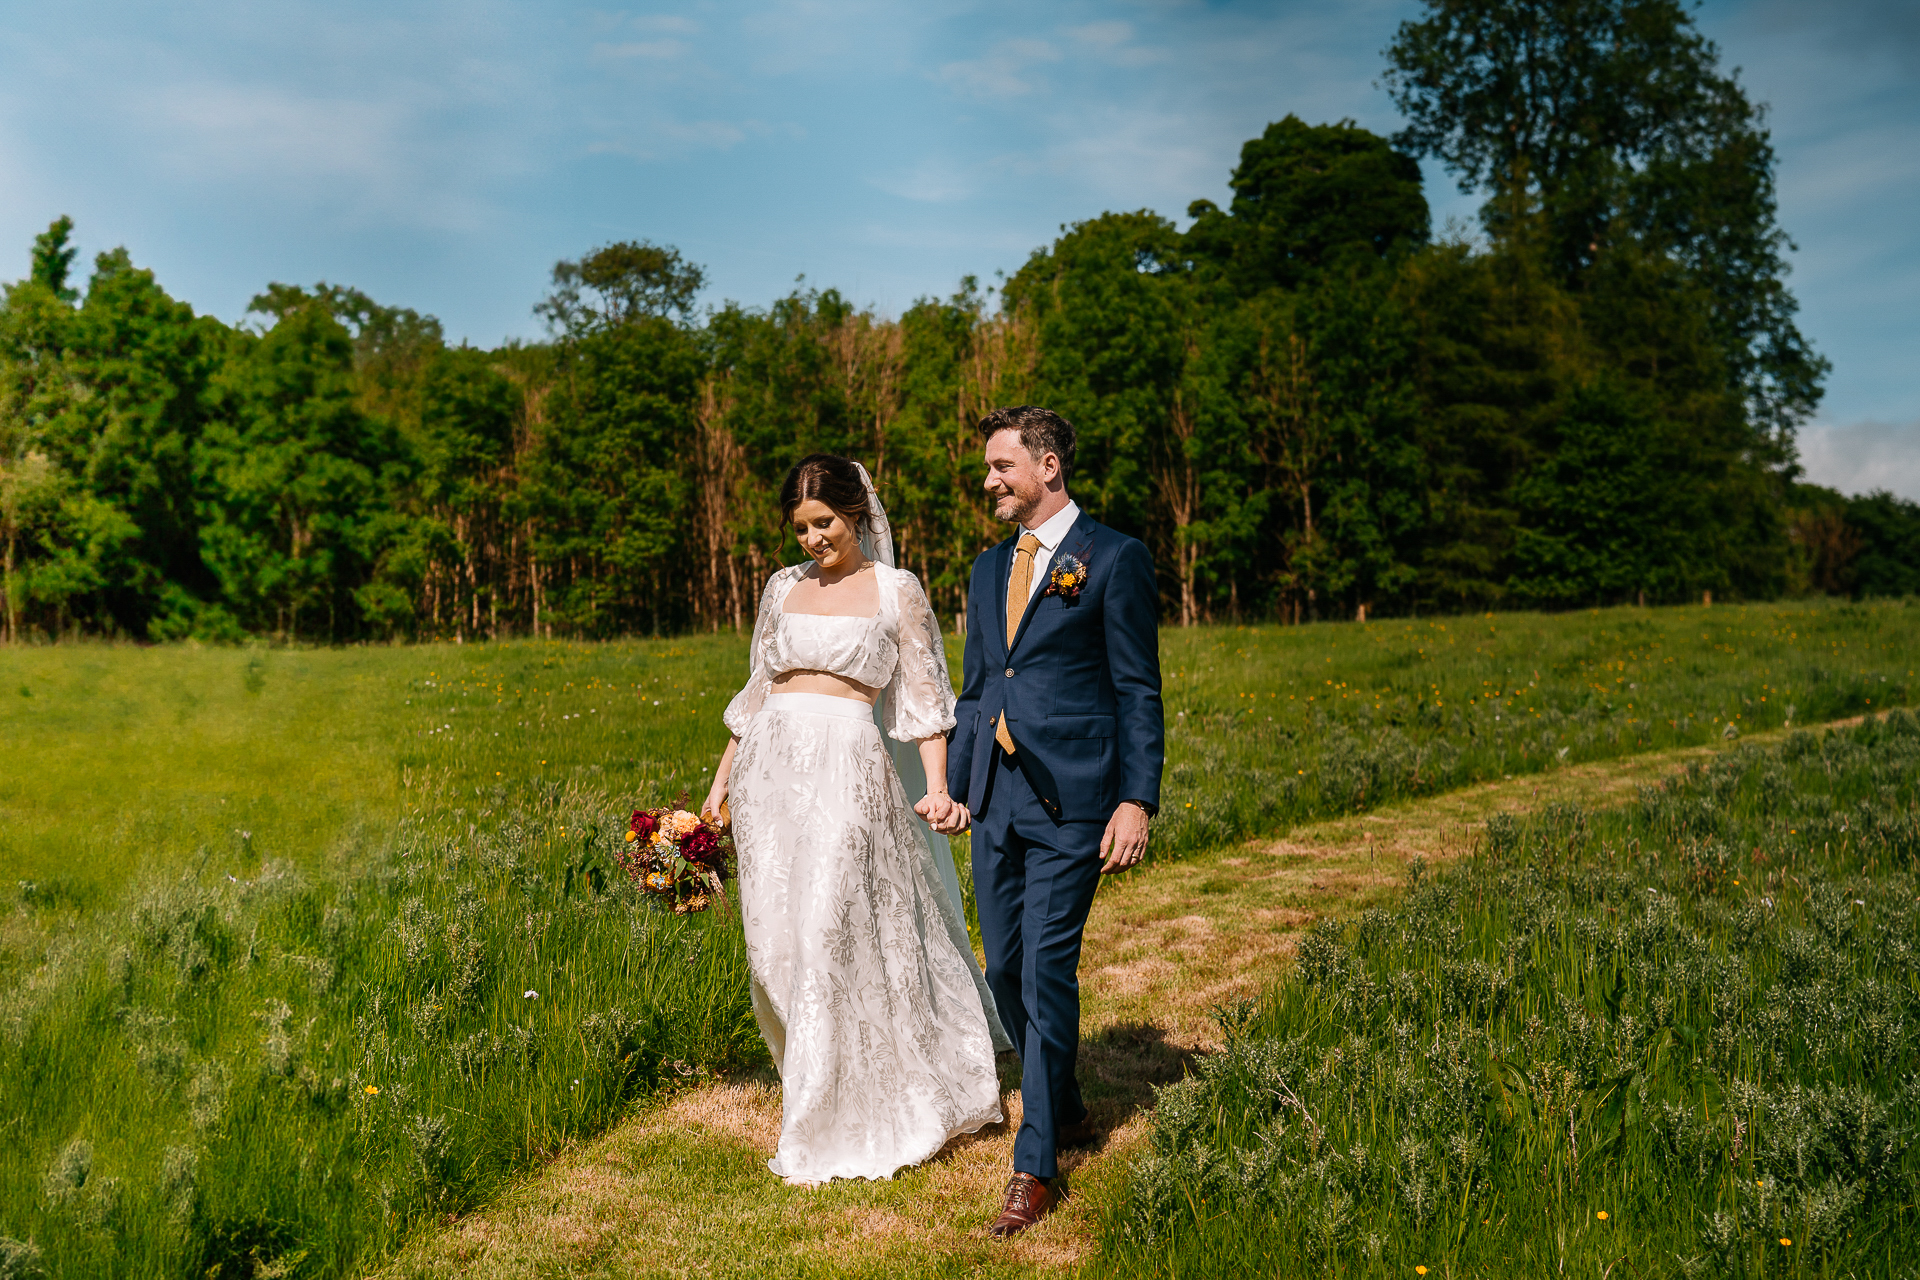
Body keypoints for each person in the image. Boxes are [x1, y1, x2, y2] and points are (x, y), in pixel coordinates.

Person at [702, 453, 1011, 1186]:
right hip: (768, 775)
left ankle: (824, 1120)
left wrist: (937, 789)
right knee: (775, 943)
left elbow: (926, 700)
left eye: (824, 522)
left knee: (827, 930)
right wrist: (715, 795)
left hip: (848, 769)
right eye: (800, 527)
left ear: (858, 515)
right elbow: (754, 698)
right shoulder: (782, 588)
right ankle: (816, 1072)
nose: (811, 538)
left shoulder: (895, 591)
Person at [946, 406, 1164, 1239]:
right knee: (1004, 971)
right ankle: (1067, 1101)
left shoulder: (1113, 559)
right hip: (997, 799)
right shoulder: (984, 568)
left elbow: (1137, 688)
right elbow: (980, 687)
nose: (991, 481)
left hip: (1076, 800)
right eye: (989, 469)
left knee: (1043, 971)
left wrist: (1135, 799)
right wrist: (961, 788)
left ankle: (1034, 1166)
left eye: (1003, 467)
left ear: (1048, 466)